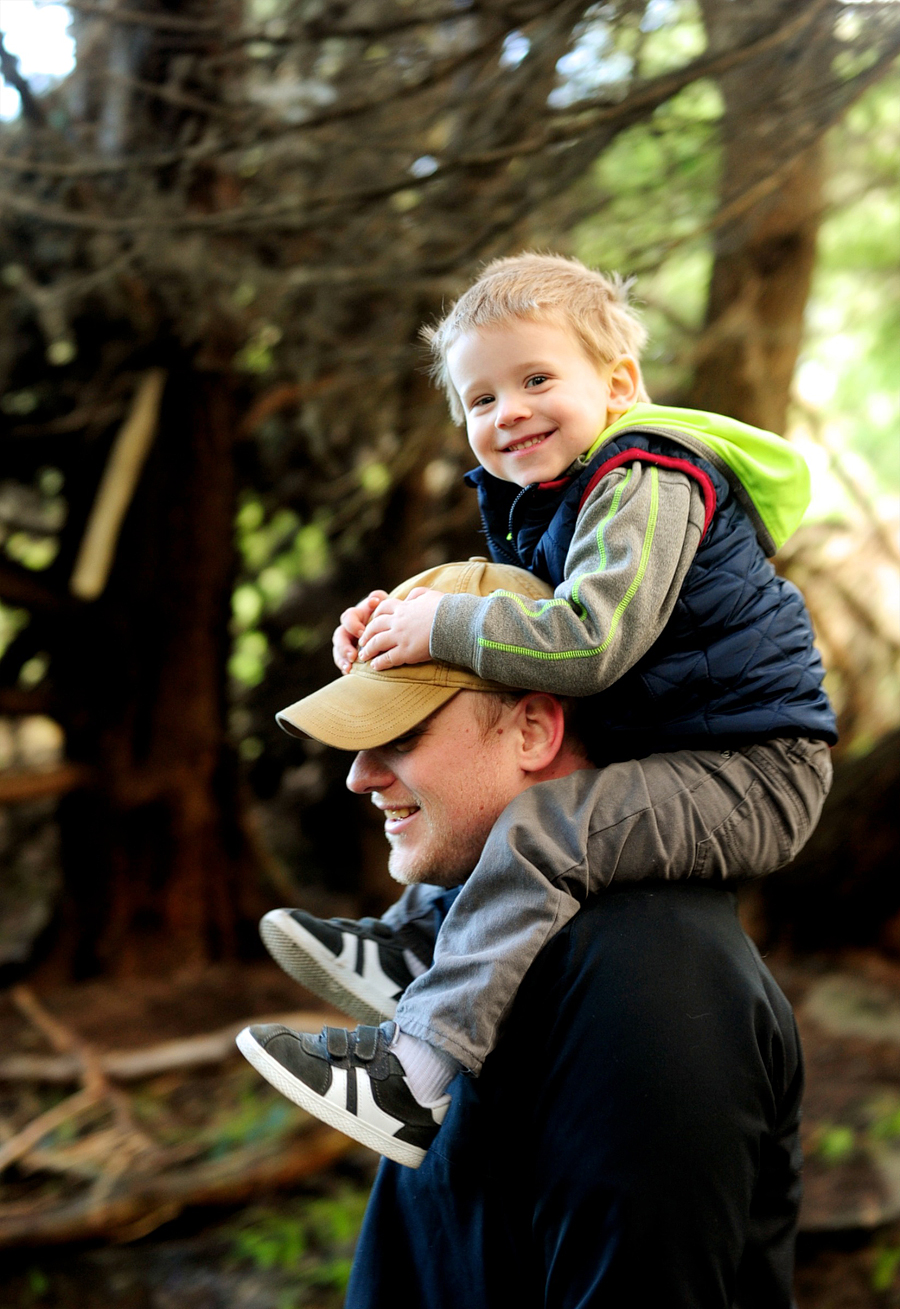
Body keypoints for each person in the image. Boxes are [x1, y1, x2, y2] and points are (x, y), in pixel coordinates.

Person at [243, 254, 835, 1157]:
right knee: (511, 792)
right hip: (676, 745)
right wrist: (393, 620)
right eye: (480, 400)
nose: (507, 410)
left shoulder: (646, 480)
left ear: (619, 384)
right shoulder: (551, 499)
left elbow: (589, 641)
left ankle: (412, 1078)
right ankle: (414, 950)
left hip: (754, 768)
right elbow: (510, 624)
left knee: (546, 826)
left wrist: (443, 622)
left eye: (535, 378)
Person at [237, 560, 806, 1307]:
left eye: (401, 733)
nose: (360, 775)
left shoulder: (651, 974)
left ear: (533, 728)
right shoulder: (490, 955)